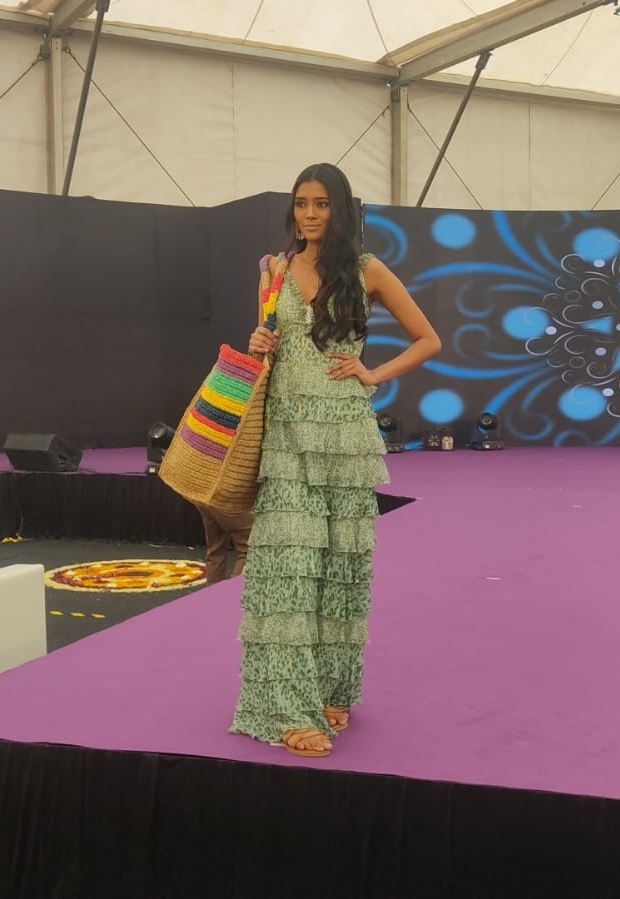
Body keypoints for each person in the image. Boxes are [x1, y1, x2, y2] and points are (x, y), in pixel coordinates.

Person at [232, 162, 440, 757]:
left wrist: (372, 373)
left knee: (339, 572)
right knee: (286, 572)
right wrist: (259, 341)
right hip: (286, 437)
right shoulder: (273, 270)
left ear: (340, 208)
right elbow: (268, 345)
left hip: (346, 437)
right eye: (301, 203)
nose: (309, 214)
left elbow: (428, 339)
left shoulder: (366, 269)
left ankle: (331, 690)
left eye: (321, 203)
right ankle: (287, 708)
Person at [195, 504, 252, 585]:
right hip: (228, 501)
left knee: (216, 551)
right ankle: (236, 592)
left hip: (205, 500)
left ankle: (216, 593)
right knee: (250, 549)